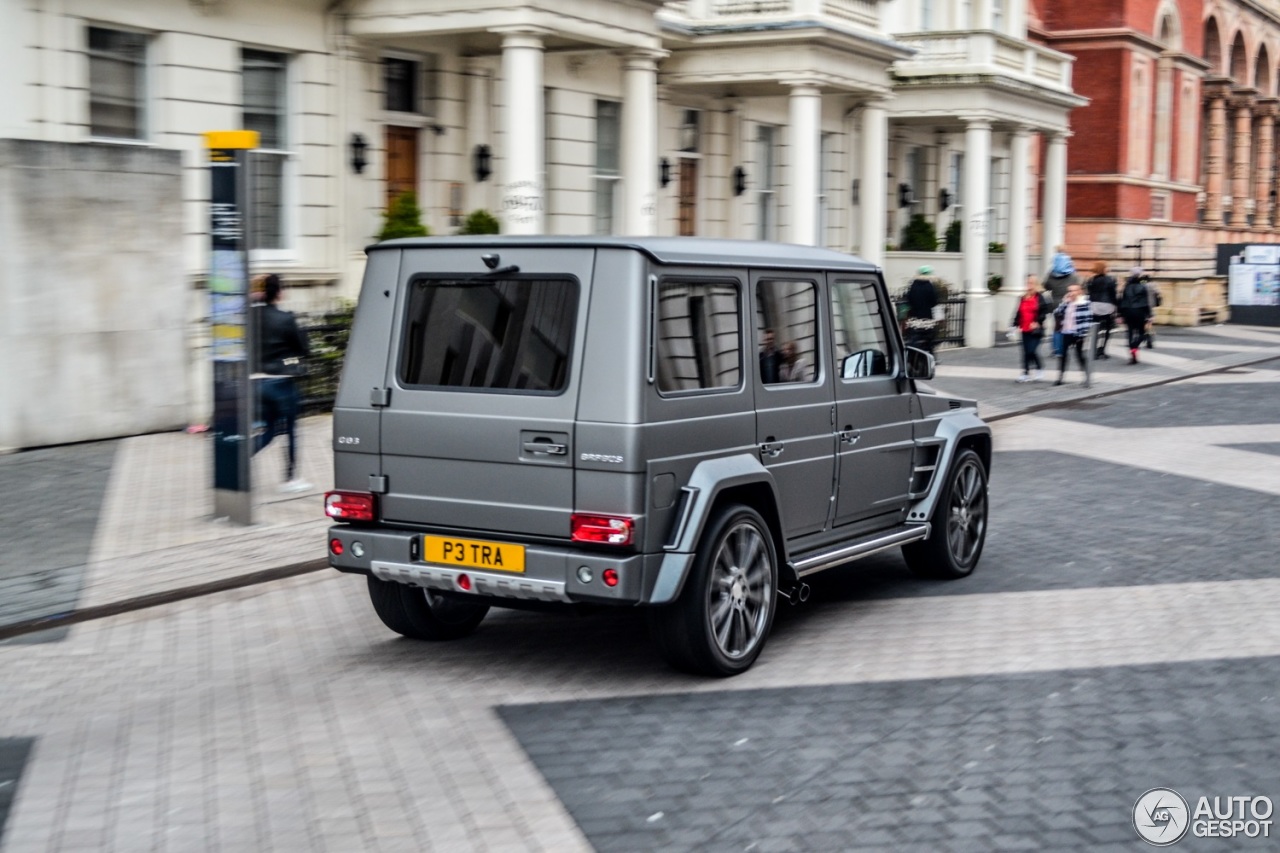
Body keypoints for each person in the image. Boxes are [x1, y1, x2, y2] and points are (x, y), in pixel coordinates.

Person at [254, 274, 312, 493]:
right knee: (290, 430)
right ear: (279, 292)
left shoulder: (251, 316)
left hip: (256, 381)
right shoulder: (285, 318)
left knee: (268, 430)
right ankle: (290, 479)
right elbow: (302, 349)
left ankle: (240, 461)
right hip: (280, 382)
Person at [1010, 275, 1052, 383]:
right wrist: (1014, 325)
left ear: (1036, 285)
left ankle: (1039, 367)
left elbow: (1044, 311)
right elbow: (1018, 312)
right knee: (1025, 352)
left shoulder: (1040, 297)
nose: (1029, 285)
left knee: (1031, 350)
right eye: (1028, 283)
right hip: (1024, 328)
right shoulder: (1022, 297)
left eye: (1031, 283)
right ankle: (1025, 373)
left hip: (1036, 329)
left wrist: (1038, 322)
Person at [1052, 282, 1092, 386]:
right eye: (1069, 291)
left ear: (1079, 291)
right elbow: (1056, 313)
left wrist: (1082, 334)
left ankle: (1086, 376)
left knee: (1079, 355)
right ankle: (1060, 378)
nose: (1071, 293)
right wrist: (1064, 302)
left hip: (1077, 333)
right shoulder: (1067, 303)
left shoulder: (1084, 303)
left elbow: (1087, 320)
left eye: (1073, 290)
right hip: (1066, 332)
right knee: (1063, 355)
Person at [1119, 267, 1153, 365]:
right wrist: (1149, 315)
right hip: (1139, 311)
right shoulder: (1143, 286)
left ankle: (1132, 354)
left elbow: (1122, 300)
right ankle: (1134, 346)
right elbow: (1147, 302)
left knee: (1130, 332)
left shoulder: (1126, 286)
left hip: (1128, 311)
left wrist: (1120, 314)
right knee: (1142, 332)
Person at [903, 265, 940, 354]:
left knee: (914, 338)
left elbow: (908, 299)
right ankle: (930, 356)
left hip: (915, 317)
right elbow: (934, 302)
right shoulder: (929, 286)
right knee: (929, 339)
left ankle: (911, 355)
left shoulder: (913, 285)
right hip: (927, 318)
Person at [1086, 261, 1118, 359]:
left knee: (1095, 328)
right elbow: (1113, 294)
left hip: (1094, 305)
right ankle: (1102, 350)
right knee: (1107, 329)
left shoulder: (1091, 280)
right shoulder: (1110, 280)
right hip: (1107, 305)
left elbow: (1089, 292)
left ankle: (1094, 350)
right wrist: (1116, 306)